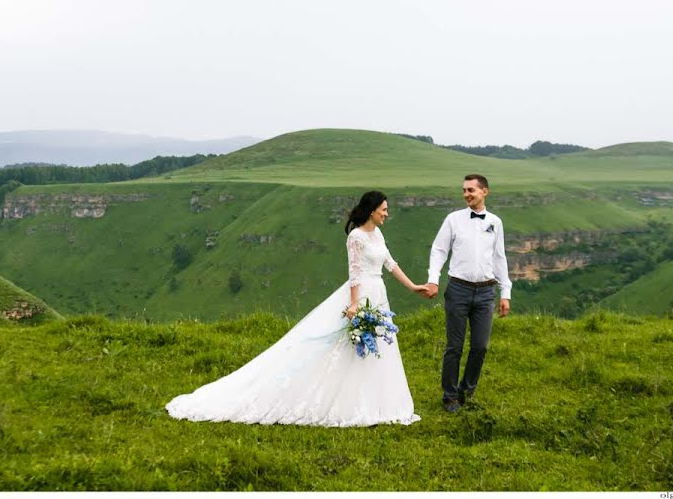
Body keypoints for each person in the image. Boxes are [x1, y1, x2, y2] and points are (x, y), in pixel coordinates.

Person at [166, 190, 428, 427]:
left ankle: (378, 402)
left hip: (379, 294)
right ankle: (344, 400)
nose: (387, 213)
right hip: (362, 294)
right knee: (348, 346)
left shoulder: (377, 233)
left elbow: (390, 264)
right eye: (383, 209)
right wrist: (355, 303)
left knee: (379, 346)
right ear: (372, 210)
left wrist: (413, 287)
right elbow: (355, 272)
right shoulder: (356, 237)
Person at [423, 174, 512, 413]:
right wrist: (433, 280)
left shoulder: (495, 222)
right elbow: (439, 250)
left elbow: (499, 257)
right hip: (458, 289)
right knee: (454, 346)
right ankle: (450, 397)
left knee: (480, 346)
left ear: (485, 192)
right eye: (464, 190)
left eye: (471, 190)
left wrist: (506, 292)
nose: (466, 194)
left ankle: (467, 390)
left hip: (486, 292)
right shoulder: (453, 219)